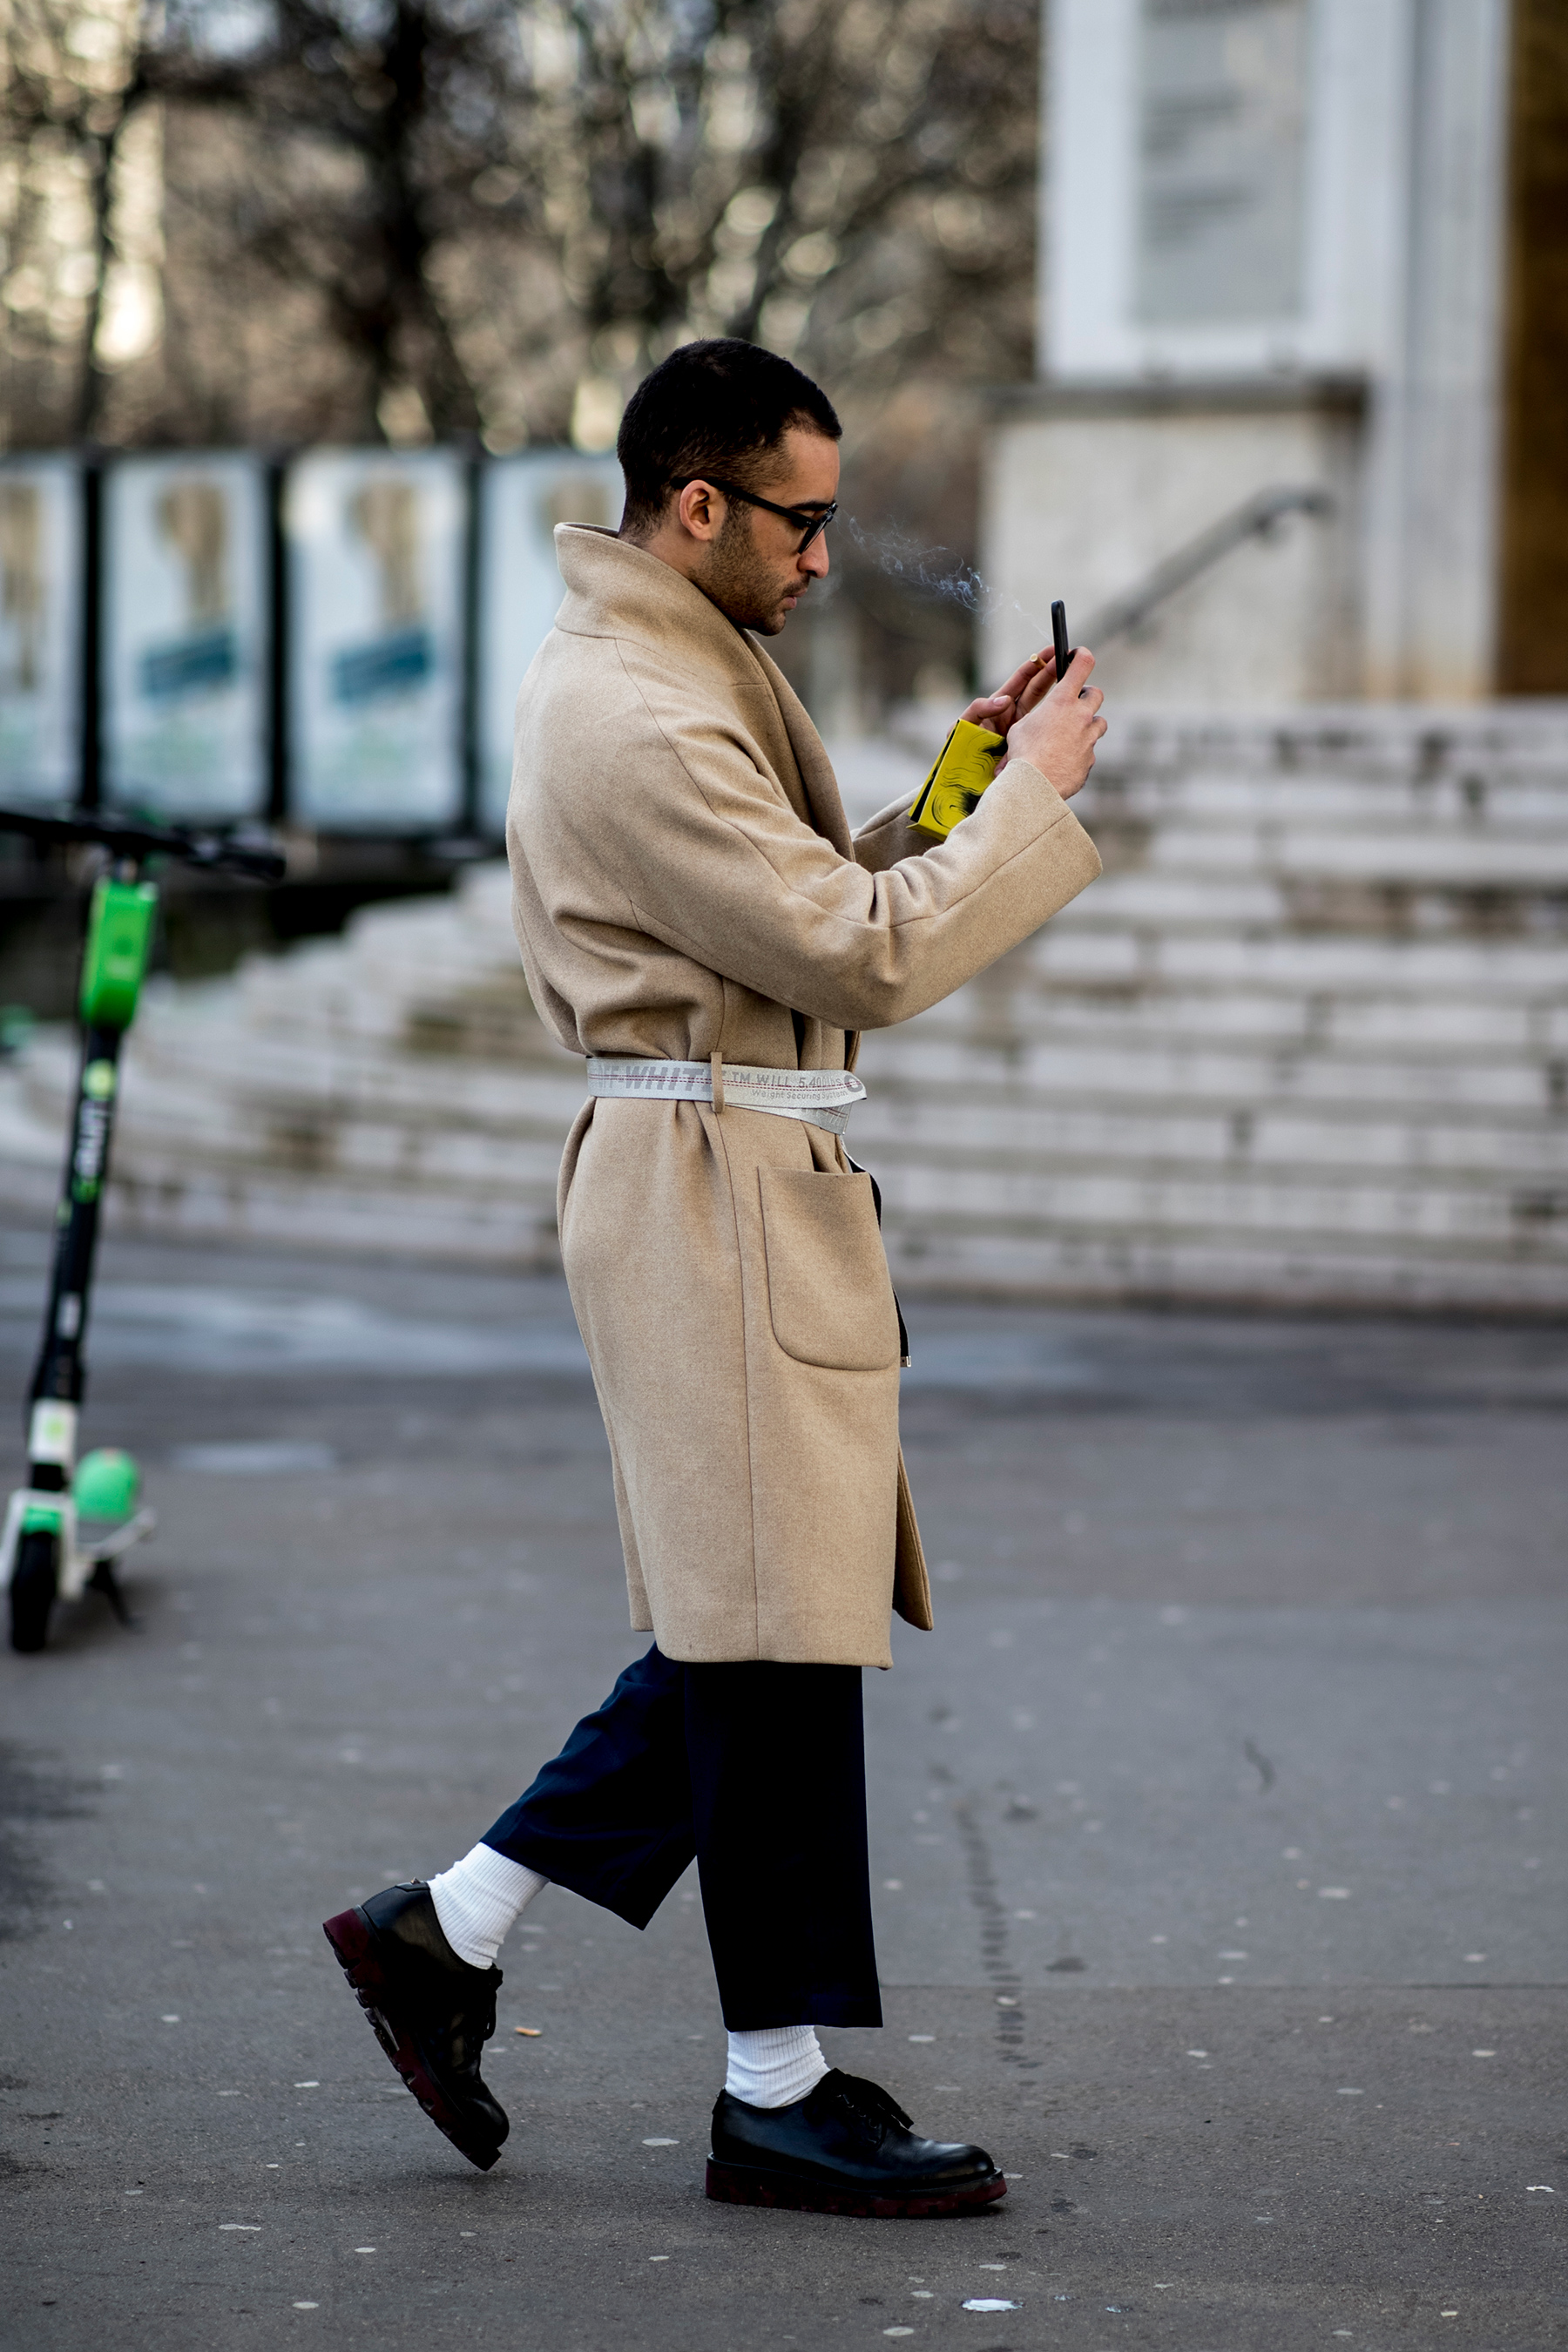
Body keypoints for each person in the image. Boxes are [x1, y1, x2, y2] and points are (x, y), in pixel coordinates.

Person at [324, 338, 1106, 2217]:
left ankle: (461, 1930)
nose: (825, 556)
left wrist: (960, 787)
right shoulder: (640, 706)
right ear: (699, 504)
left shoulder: (674, 663)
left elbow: (794, 899)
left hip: (734, 1163)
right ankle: (766, 2088)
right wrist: (1037, 815)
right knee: (765, 1627)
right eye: (803, 520)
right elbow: (860, 957)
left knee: (759, 1619)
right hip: (707, 1177)